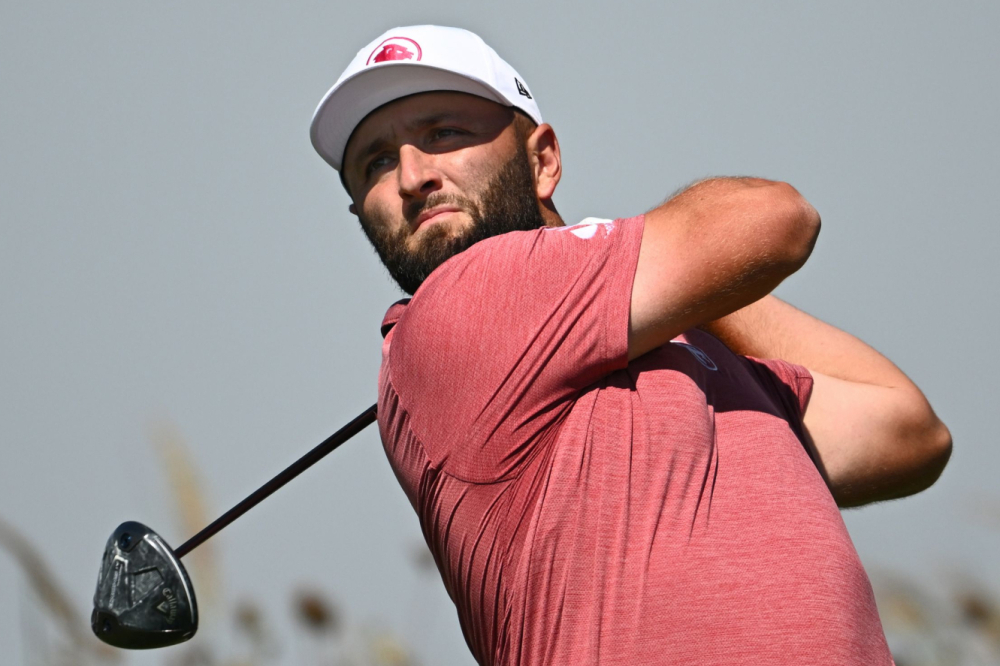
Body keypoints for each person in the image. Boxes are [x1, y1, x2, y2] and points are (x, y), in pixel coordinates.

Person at [310, 25, 951, 666]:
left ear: (542, 161)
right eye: (376, 161)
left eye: (443, 133)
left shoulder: (695, 351)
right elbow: (775, 219)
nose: (412, 177)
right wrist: (673, 263)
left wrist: (681, 288)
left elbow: (909, 431)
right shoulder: (455, 307)